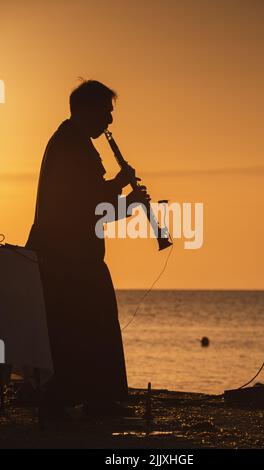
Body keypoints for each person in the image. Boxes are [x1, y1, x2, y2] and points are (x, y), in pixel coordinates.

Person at [25, 80, 149, 418]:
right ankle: (95, 401)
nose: (109, 122)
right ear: (87, 109)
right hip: (69, 257)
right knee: (91, 323)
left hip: (63, 254)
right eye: (106, 112)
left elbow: (90, 197)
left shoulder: (69, 141)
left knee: (71, 327)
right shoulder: (74, 146)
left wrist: (121, 187)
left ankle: (70, 398)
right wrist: (131, 202)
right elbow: (92, 207)